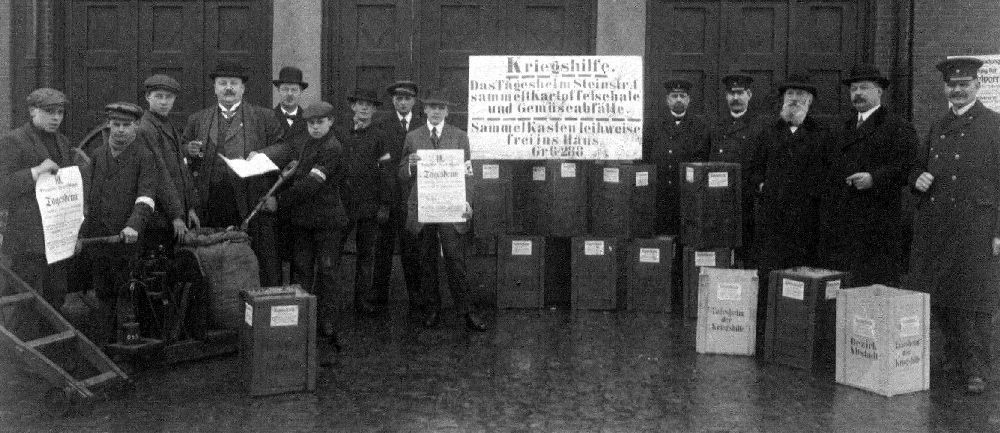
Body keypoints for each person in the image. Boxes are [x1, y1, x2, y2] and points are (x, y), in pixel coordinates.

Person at [907, 57, 1000, 394]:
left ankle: (976, 367)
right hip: (938, 224)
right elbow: (916, 169)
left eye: (964, 84)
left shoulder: (994, 125)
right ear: (945, 88)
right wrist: (917, 179)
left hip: (978, 226)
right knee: (941, 295)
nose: (957, 90)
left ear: (978, 85)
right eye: (952, 85)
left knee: (975, 298)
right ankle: (949, 359)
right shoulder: (938, 126)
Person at [182, 60, 290, 286]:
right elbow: (182, 151)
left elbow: (284, 149)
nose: (228, 88)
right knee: (214, 259)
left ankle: (260, 310)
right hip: (211, 202)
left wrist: (259, 156)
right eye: (223, 83)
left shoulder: (264, 118)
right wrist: (188, 149)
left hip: (251, 201)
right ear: (215, 88)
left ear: (243, 88)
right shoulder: (198, 119)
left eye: (233, 83)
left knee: (261, 260)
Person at [747, 73, 832, 342]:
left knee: (802, 277)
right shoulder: (768, 132)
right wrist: (762, 186)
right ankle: (766, 331)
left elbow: (829, 173)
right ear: (783, 100)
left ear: (810, 102)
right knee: (770, 272)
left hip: (807, 220)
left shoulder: (821, 134)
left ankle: (798, 331)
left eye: (800, 95)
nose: (794, 100)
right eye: (790, 95)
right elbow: (753, 169)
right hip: (772, 219)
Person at [398, 90, 488, 332]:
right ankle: (432, 310)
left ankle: (467, 311)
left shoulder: (460, 137)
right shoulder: (413, 137)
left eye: (441, 107)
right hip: (424, 207)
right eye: (431, 107)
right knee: (426, 261)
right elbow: (400, 172)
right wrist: (410, 165)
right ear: (424, 110)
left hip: (450, 207)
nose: (436, 111)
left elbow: (468, 173)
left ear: (447, 111)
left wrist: (468, 202)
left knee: (455, 259)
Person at [821, 64, 917, 286]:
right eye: (853, 89)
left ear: (879, 92)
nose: (858, 94)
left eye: (864, 88)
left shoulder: (898, 127)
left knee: (873, 289)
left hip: (878, 225)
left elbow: (909, 167)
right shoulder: (842, 128)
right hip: (845, 225)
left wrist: (875, 178)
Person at [0, 88, 88, 310]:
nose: (56, 117)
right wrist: (35, 171)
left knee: (56, 298)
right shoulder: (14, 140)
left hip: (56, 239)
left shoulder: (63, 141)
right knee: (26, 302)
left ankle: (53, 345)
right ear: (32, 111)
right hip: (27, 241)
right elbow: (3, 186)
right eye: (49, 112)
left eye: (60, 112)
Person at [79, 102, 158, 344]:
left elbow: (146, 198)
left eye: (127, 125)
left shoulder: (144, 157)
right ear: (109, 125)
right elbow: (86, 198)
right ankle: (104, 345)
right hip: (100, 239)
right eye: (116, 125)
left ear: (135, 127)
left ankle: (125, 347)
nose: (121, 130)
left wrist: (134, 225)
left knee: (125, 291)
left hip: (126, 239)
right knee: (102, 292)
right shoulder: (97, 156)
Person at [276, 101, 348, 346]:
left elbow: (310, 185)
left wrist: (279, 201)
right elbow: (298, 174)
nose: (315, 127)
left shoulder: (332, 147)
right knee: (302, 271)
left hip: (328, 223)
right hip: (304, 222)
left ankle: (328, 323)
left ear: (330, 122)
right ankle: (302, 321)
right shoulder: (307, 143)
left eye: (320, 122)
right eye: (310, 123)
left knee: (327, 272)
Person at [335, 89, 393, 316]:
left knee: (366, 255)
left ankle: (362, 301)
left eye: (369, 105)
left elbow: (387, 172)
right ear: (353, 107)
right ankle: (332, 302)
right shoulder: (340, 133)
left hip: (370, 206)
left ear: (375, 110)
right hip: (343, 205)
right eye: (360, 104)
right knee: (335, 253)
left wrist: (384, 204)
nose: (364, 108)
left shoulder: (380, 136)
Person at [372, 80, 424, 314]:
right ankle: (378, 298)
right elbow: (380, 165)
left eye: (407, 99)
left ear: (413, 101)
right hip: (389, 198)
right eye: (398, 98)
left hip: (415, 198)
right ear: (393, 100)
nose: (402, 102)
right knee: (383, 249)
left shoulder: (423, 124)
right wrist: (383, 201)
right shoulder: (381, 124)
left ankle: (416, 298)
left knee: (412, 249)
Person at [137, 74, 199, 250]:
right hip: (160, 216)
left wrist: (190, 208)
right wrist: (176, 216)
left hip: (175, 213)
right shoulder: (146, 128)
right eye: (158, 96)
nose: (164, 102)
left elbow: (181, 169)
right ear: (148, 97)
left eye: (169, 97)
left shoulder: (167, 125)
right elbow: (160, 174)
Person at [642, 78, 710, 236]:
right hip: (660, 194)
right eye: (674, 95)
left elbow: (703, 158)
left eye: (682, 95)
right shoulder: (654, 126)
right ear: (667, 100)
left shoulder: (699, 127)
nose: (678, 99)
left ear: (688, 100)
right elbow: (645, 158)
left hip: (687, 194)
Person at [709, 73, 764, 266]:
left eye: (740, 93)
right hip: (719, 201)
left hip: (746, 202)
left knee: (747, 255)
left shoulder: (760, 126)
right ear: (726, 97)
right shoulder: (716, 126)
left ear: (749, 94)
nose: (735, 98)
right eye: (732, 93)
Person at [271, 66, 311, 282]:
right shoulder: (268, 118)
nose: (289, 94)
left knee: (301, 256)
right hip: (275, 194)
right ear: (278, 91)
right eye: (285, 89)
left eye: (293, 89)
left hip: (300, 196)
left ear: (300, 92)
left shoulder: (310, 120)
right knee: (273, 255)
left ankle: (300, 301)